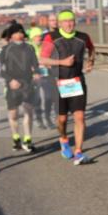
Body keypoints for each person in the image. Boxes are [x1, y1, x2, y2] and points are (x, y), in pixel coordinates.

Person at [39, 10, 95, 165]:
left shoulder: (83, 37)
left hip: (77, 82)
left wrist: (91, 61)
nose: (69, 24)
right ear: (59, 23)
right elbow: (42, 59)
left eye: (71, 21)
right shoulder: (51, 37)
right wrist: (61, 62)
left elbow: (92, 49)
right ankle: (63, 139)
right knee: (62, 119)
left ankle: (78, 152)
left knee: (79, 117)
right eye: (65, 21)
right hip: (57, 82)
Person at [0, 23, 40, 153]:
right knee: (13, 114)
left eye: (21, 32)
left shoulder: (29, 48)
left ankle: (28, 139)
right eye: (16, 32)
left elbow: (35, 65)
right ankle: (16, 138)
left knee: (28, 111)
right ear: (11, 35)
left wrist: (36, 73)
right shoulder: (5, 50)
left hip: (28, 84)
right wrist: (10, 80)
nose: (19, 34)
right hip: (12, 86)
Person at [28, 27, 57, 129]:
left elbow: (52, 58)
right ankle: (39, 119)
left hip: (46, 74)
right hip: (33, 77)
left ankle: (47, 118)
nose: (39, 38)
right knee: (37, 99)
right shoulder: (27, 47)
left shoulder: (47, 46)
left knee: (49, 97)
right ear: (32, 38)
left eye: (40, 36)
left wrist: (49, 64)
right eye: (36, 36)